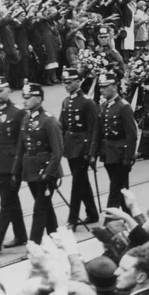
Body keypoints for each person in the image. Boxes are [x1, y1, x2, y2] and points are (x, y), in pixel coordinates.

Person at [13, 83, 63, 244]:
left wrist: (49, 173)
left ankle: (33, 244)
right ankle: (55, 237)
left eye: (28, 97)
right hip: (32, 171)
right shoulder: (27, 118)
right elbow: (21, 147)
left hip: (46, 172)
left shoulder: (49, 120)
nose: (24, 100)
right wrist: (16, 171)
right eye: (24, 97)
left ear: (39, 99)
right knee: (44, 206)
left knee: (39, 209)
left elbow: (57, 151)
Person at [0, 78, 27, 256]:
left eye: (0, 91)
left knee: (6, 203)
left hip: (12, 166)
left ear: (8, 90)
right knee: (11, 201)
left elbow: (22, 142)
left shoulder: (18, 112)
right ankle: (21, 235)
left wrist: (18, 166)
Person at [59, 69, 99, 228]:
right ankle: (92, 213)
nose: (67, 85)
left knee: (77, 184)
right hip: (71, 148)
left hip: (83, 149)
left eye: (69, 82)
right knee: (82, 182)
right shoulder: (66, 102)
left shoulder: (87, 102)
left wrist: (91, 152)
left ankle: (72, 218)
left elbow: (94, 129)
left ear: (78, 81)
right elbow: (63, 126)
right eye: (65, 82)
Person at [96, 73, 138, 211]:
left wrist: (128, 157)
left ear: (114, 87)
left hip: (121, 155)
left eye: (105, 87)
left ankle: (110, 220)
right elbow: (99, 132)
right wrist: (94, 153)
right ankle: (130, 217)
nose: (101, 90)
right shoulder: (104, 105)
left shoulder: (123, 106)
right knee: (122, 190)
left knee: (115, 191)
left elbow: (131, 135)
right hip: (108, 154)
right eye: (100, 87)